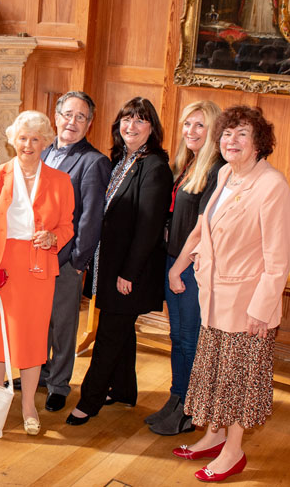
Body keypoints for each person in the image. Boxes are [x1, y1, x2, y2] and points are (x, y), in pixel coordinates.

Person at [170, 106, 290, 482]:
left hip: (247, 303)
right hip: (214, 296)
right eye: (227, 133)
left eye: (242, 134)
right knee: (215, 373)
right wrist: (179, 265)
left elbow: (279, 259)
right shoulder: (224, 174)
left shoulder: (272, 185)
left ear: (259, 144)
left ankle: (233, 451)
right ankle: (215, 433)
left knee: (238, 380)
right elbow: (203, 227)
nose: (231, 141)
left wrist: (262, 309)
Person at [66, 97, 173, 426]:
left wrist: (129, 273)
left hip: (131, 271)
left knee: (110, 333)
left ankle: (90, 399)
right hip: (109, 265)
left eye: (140, 121)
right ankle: (124, 390)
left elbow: (149, 227)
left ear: (152, 128)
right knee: (121, 330)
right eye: (127, 120)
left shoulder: (154, 166)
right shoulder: (121, 159)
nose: (132, 126)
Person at [0, 111, 74, 435]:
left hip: (37, 268)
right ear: (12, 140)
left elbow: (66, 225)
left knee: (31, 341)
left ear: (45, 142)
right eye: (22, 138)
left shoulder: (60, 180)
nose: (28, 144)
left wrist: (55, 238)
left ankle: (29, 404)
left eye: (35, 139)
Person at [146, 101, 224, 436]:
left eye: (200, 126)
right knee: (176, 336)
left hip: (191, 267)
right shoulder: (186, 164)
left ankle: (192, 409)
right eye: (187, 124)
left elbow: (204, 229)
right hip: (173, 260)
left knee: (191, 339)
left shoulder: (218, 170)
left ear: (214, 132)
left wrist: (179, 268)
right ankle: (177, 397)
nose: (190, 132)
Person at [37, 91, 111, 413]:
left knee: (64, 326)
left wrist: (78, 261)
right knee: (39, 321)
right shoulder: (41, 154)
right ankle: (39, 372)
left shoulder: (94, 162)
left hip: (66, 260)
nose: (72, 122)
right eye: (68, 114)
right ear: (56, 116)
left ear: (90, 124)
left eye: (81, 117)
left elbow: (91, 217)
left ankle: (59, 384)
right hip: (35, 256)